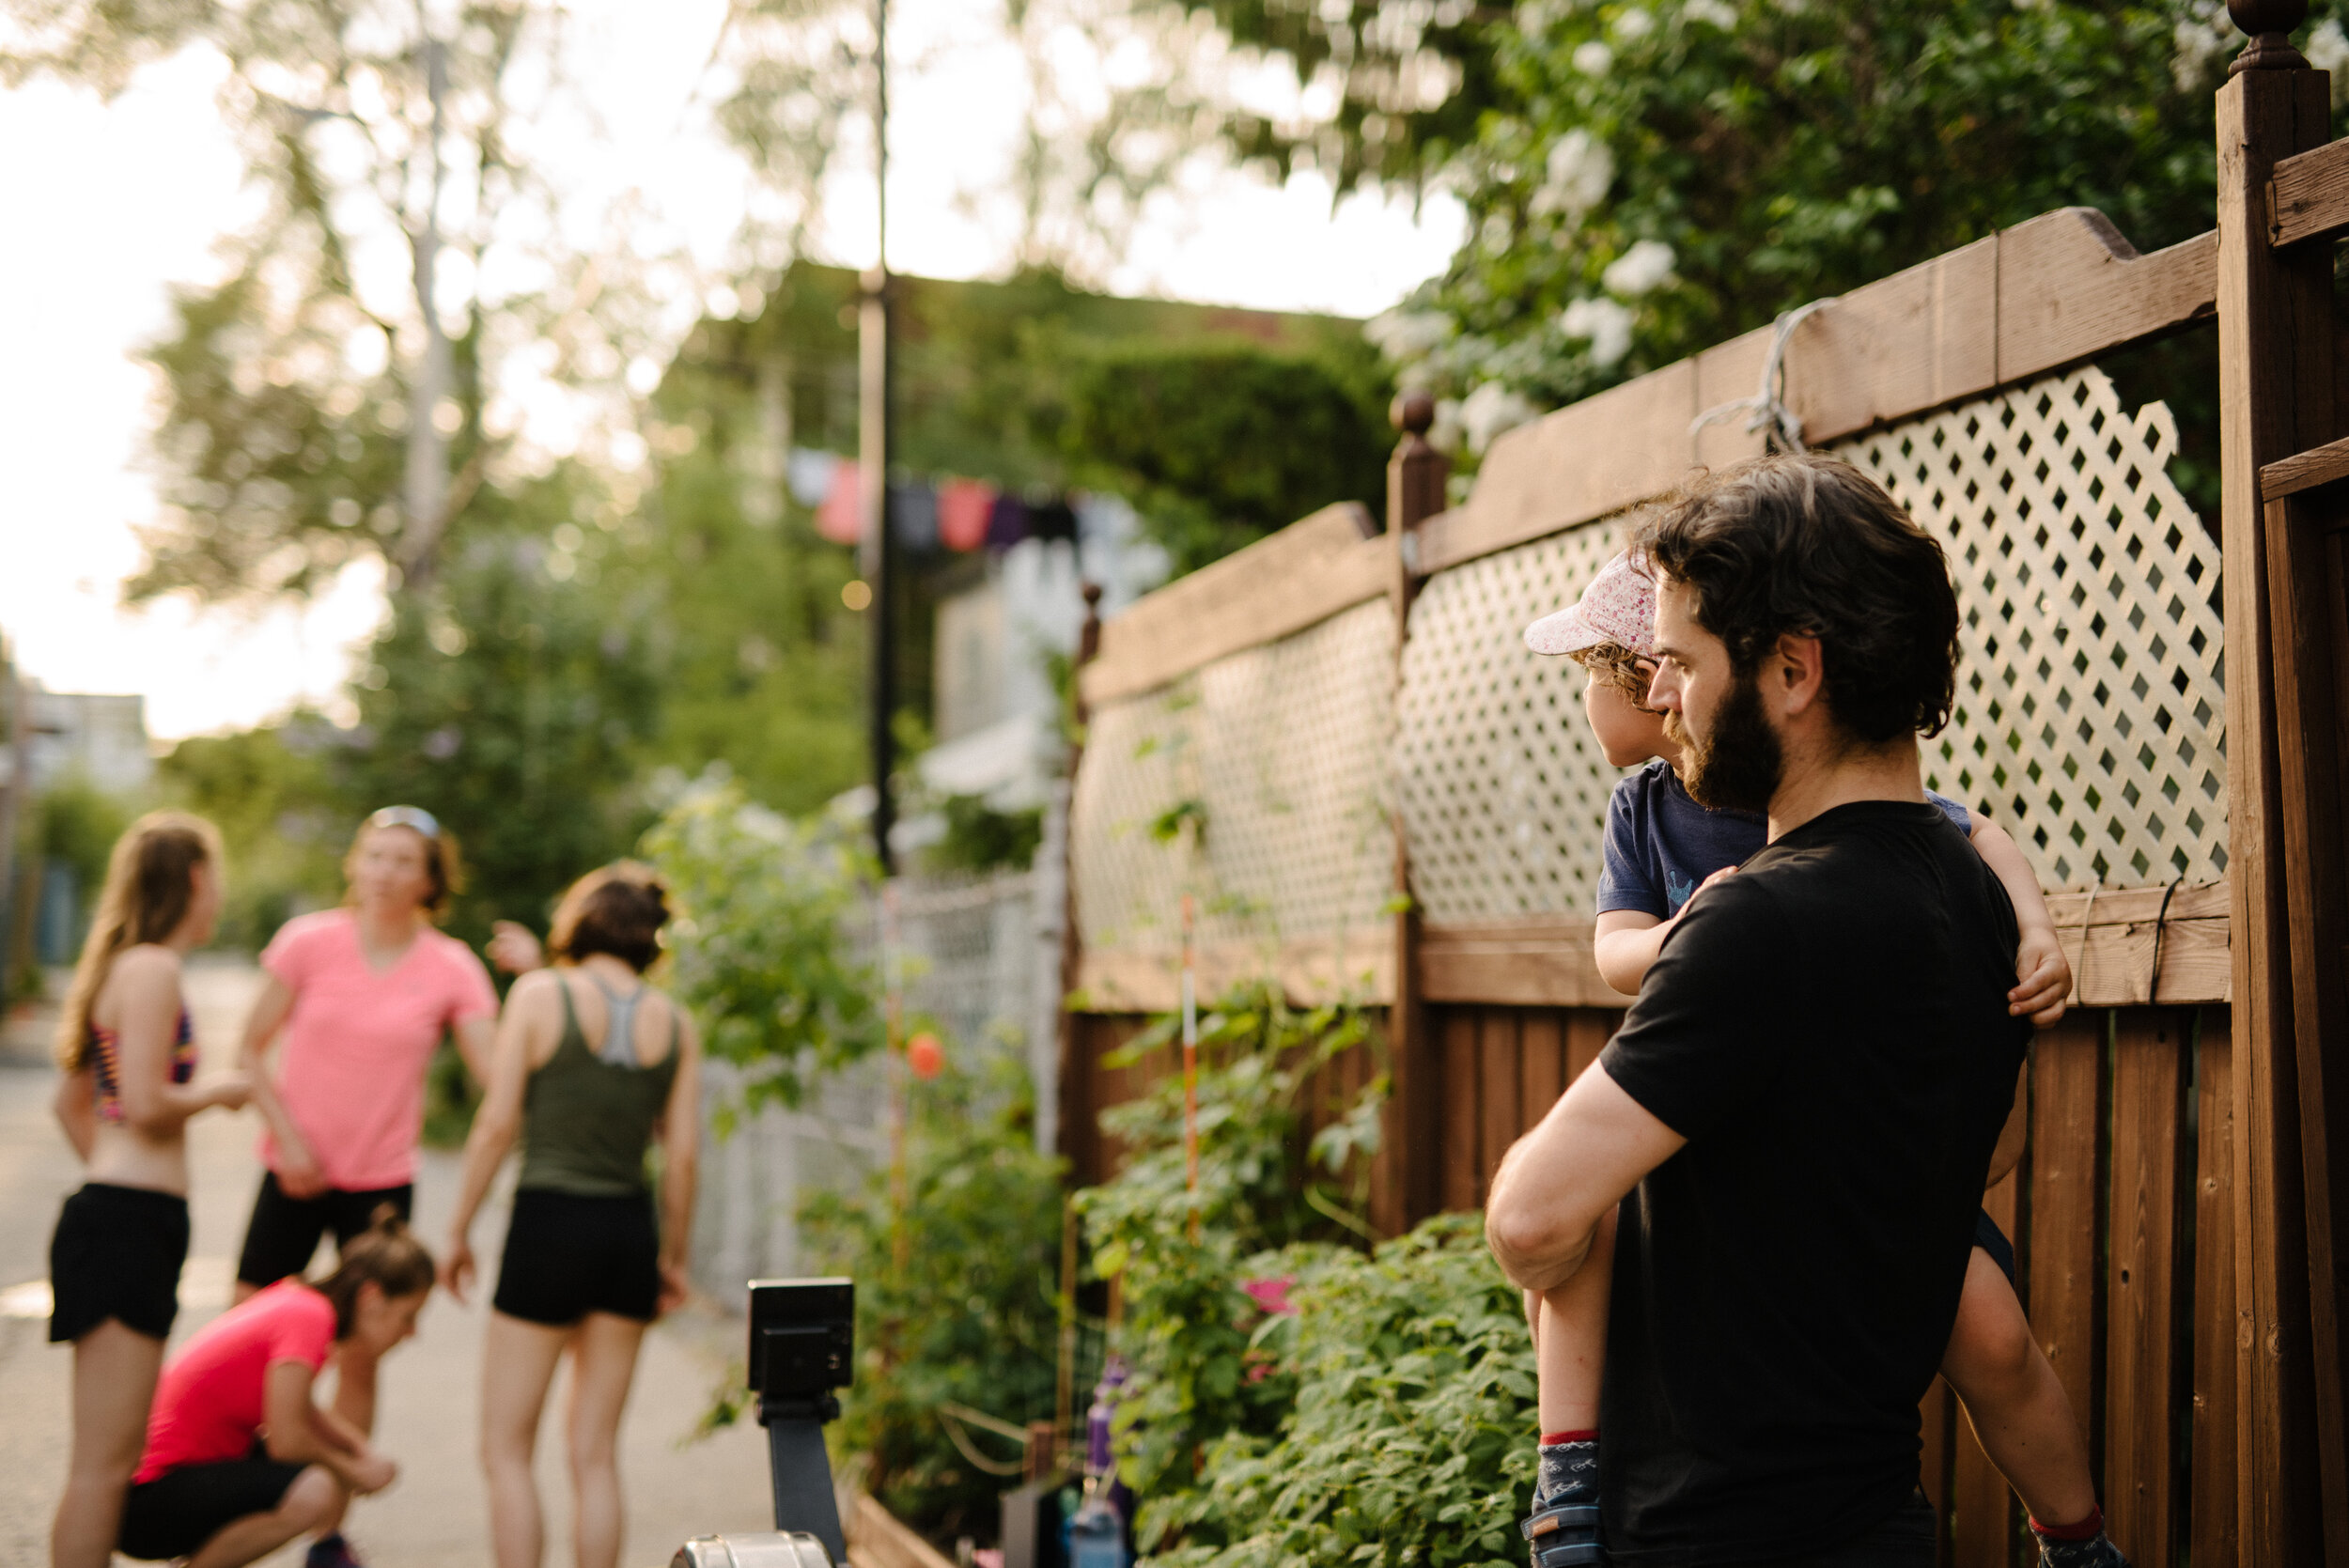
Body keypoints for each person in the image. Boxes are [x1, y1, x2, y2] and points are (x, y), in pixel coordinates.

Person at [1486, 454, 2055, 1567]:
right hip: (1879, 1522)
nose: (1658, 693)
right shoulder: (1974, 900)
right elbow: (1994, 1152)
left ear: (1793, 670)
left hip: (1711, 1528)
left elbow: (1533, 1219)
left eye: (1683, 662)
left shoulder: (1754, 922)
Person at [443, 862, 703, 1568]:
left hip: (547, 1226)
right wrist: (673, 1258)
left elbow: (496, 1125)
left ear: (579, 921)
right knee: (594, 1455)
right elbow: (680, 1160)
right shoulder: (675, 1021)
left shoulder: (538, 994)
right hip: (626, 1233)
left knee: (506, 1448)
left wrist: (457, 1228)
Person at [232, 804, 498, 1471]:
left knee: (360, 1349)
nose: (384, 871)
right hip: (293, 1171)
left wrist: (542, 986)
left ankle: (330, 1526)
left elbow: (498, 1076)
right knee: (246, 1336)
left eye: (403, 860)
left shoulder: (452, 964)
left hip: (379, 1188)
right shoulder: (307, 940)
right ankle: (236, 1495)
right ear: (355, 864)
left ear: (430, 879)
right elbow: (247, 1048)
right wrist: (289, 1142)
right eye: (374, 855)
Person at [47, 811, 252, 1568]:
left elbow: (73, 1103)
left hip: (128, 1215)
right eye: (217, 875)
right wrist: (221, 1090)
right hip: (128, 1222)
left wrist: (113, 1178)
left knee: (108, 1458)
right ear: (196, 878)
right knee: (104, 1467)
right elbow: (141, 1101)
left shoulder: (127, 965)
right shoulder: (154, 969)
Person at [116, 1212, 430, 1568]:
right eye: (408, 1316)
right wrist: (355, 1473)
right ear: (372, 1298)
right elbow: (289, 1440)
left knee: (310, 1479)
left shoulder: (301, 1301)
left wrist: (359, 1449)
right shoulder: (310, 1319)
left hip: (161, 1484)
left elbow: (302, 1410)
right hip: (148, 1499)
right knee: (315, 1491)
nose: (410, 1333)